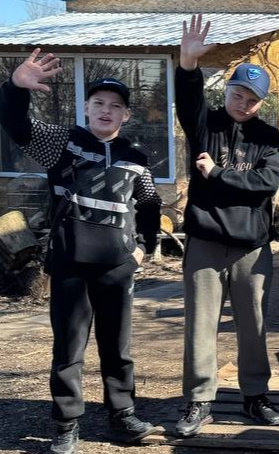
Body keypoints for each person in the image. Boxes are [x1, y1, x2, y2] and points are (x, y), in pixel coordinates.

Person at [0, 50, 161, 454]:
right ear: (87, 107)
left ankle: (123, 417)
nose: (107, 111)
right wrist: (16, 88)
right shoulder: (63, 142)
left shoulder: (137, 159)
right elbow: (15, 125)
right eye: (99, 103)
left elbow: (150, 206)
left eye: (116, 106)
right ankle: (67, 424)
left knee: (118, 348)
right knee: (69, 348)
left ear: (126, 115)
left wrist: (143, 250)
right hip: (70, 263)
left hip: (118, 267)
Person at [172, 15, 279, 437]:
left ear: (261, 101)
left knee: (254, 326)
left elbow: (266, 183)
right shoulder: (207, 126)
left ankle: (255, 396)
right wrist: (188, 66)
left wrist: (219, 175)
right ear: (228, 91)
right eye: (238, 93)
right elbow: (188, 101)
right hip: (204, 241)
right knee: (200, 325)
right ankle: (199, 400)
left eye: (253, 98)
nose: (244, 102)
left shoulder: (270, 139)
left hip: (251, 248)